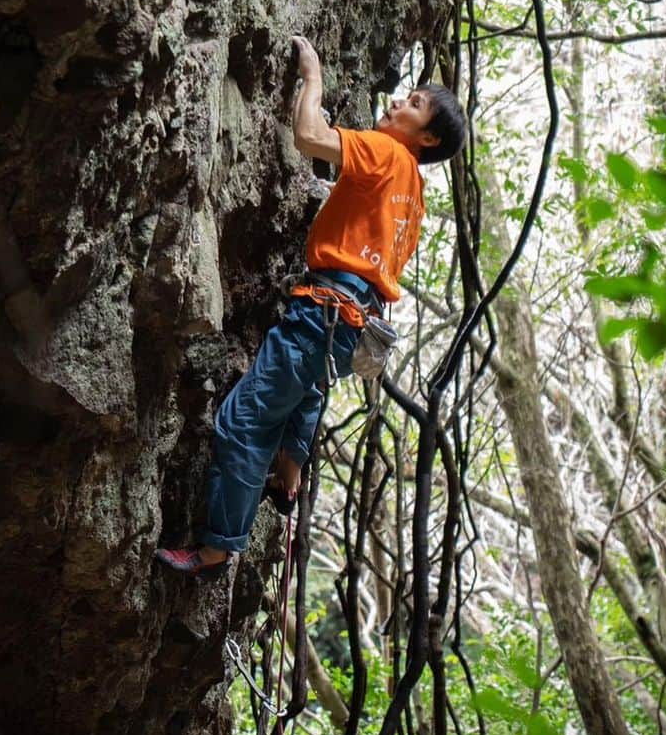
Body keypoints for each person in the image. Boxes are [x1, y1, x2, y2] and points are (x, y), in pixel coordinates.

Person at [156, 35, 467, 577]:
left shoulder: (386, 151)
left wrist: (312, 75)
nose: (397, 103)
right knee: (308, 386)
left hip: (322, 311)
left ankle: (217, 547)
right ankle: (291, 470)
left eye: (412, 105)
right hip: (352, 323)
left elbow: (309, 136)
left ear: (428, 136)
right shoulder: (413, 193)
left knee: (244, 421)